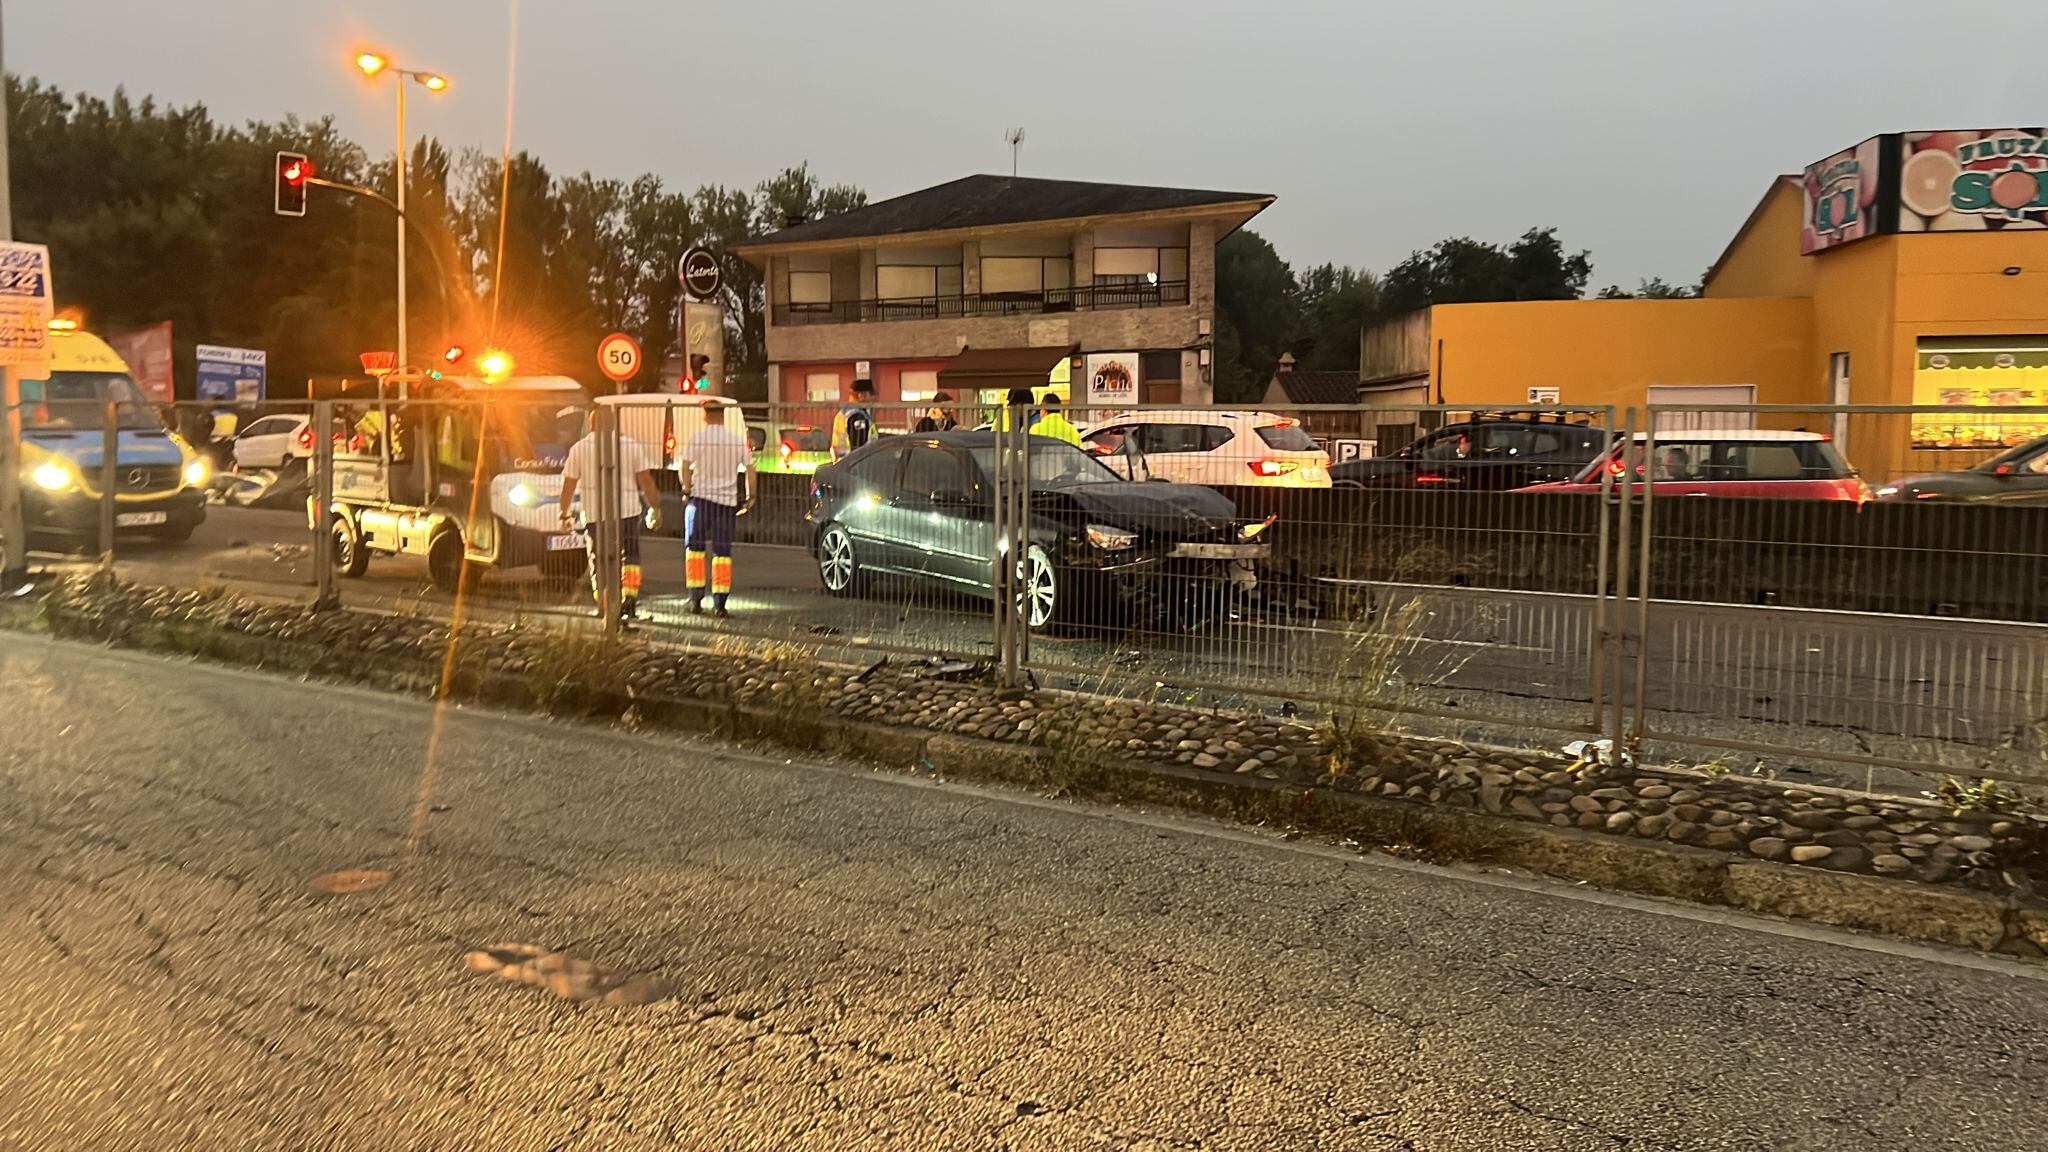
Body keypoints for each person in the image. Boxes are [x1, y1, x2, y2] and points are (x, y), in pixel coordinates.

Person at [557, 409, 664, 619]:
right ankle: (629, 599)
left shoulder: (579, 449)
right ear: (614, 425)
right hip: (628, 512)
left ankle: (604, 606)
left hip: (596, 514)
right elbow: (646, 481)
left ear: (591, 425)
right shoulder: (630, 445)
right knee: (630, 556)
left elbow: (568, 485)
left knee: (599, 559)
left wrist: (564, 514)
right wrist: (655, 508)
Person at [679, 399, 757, 618]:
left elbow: (685, 467)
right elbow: (750, 470)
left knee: (694, 551)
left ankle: (695, 600)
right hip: (726, 503)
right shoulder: (735, 441)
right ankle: (720, 604)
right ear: (722, 416)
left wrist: (686, 489)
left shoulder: (698, 439)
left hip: (700, 501)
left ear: (705, 415)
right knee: (722, 553)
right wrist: (752, 496)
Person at [831, 378, 875, 460]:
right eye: (870, 395)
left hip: (843, 462)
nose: (872, 399)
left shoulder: (844, 412)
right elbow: (859, 444)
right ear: (861, 396)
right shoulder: (857, 415)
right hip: (855, 463)